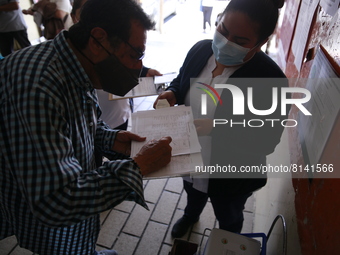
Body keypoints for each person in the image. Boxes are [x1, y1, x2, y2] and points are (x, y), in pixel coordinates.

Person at [0, 0, 172, 254]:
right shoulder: (39, 88)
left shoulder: (74, 61)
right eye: (136, 54)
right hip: (52, 225)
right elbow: (56, 201)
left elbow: (75, 123)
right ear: (97, 39)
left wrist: (108, 138)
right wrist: (138, 167)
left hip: (74, 216)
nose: (139, 68)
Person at [154, 0, 289, 238]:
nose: (226, 42)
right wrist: (173, 92)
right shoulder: (201, 49)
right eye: (223, 31)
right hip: (191, 159)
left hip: (231, 175)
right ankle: (190, 216)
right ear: (218, 19)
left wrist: (216, 128)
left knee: (229, 215)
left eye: (240, 41)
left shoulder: (270, 80)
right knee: (192, 194)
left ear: (260, 44)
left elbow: (267, 140)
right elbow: (183, 77)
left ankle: (228, 236)